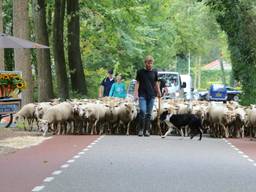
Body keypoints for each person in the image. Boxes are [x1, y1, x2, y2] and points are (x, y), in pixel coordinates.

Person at [134, 55, 161, 137]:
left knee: (149, 114)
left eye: (151, 63)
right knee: (142, 111)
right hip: (142, 94)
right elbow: (137, 82)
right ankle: (141, 130)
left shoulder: (155, 72)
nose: (149, 65)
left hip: (151, 95)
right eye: (148, 63)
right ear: (145, 63)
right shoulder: (140, 72)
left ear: (152, 63)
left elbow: (156, 83)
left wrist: (159, 92)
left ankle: (147, 131)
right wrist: (136, 93)